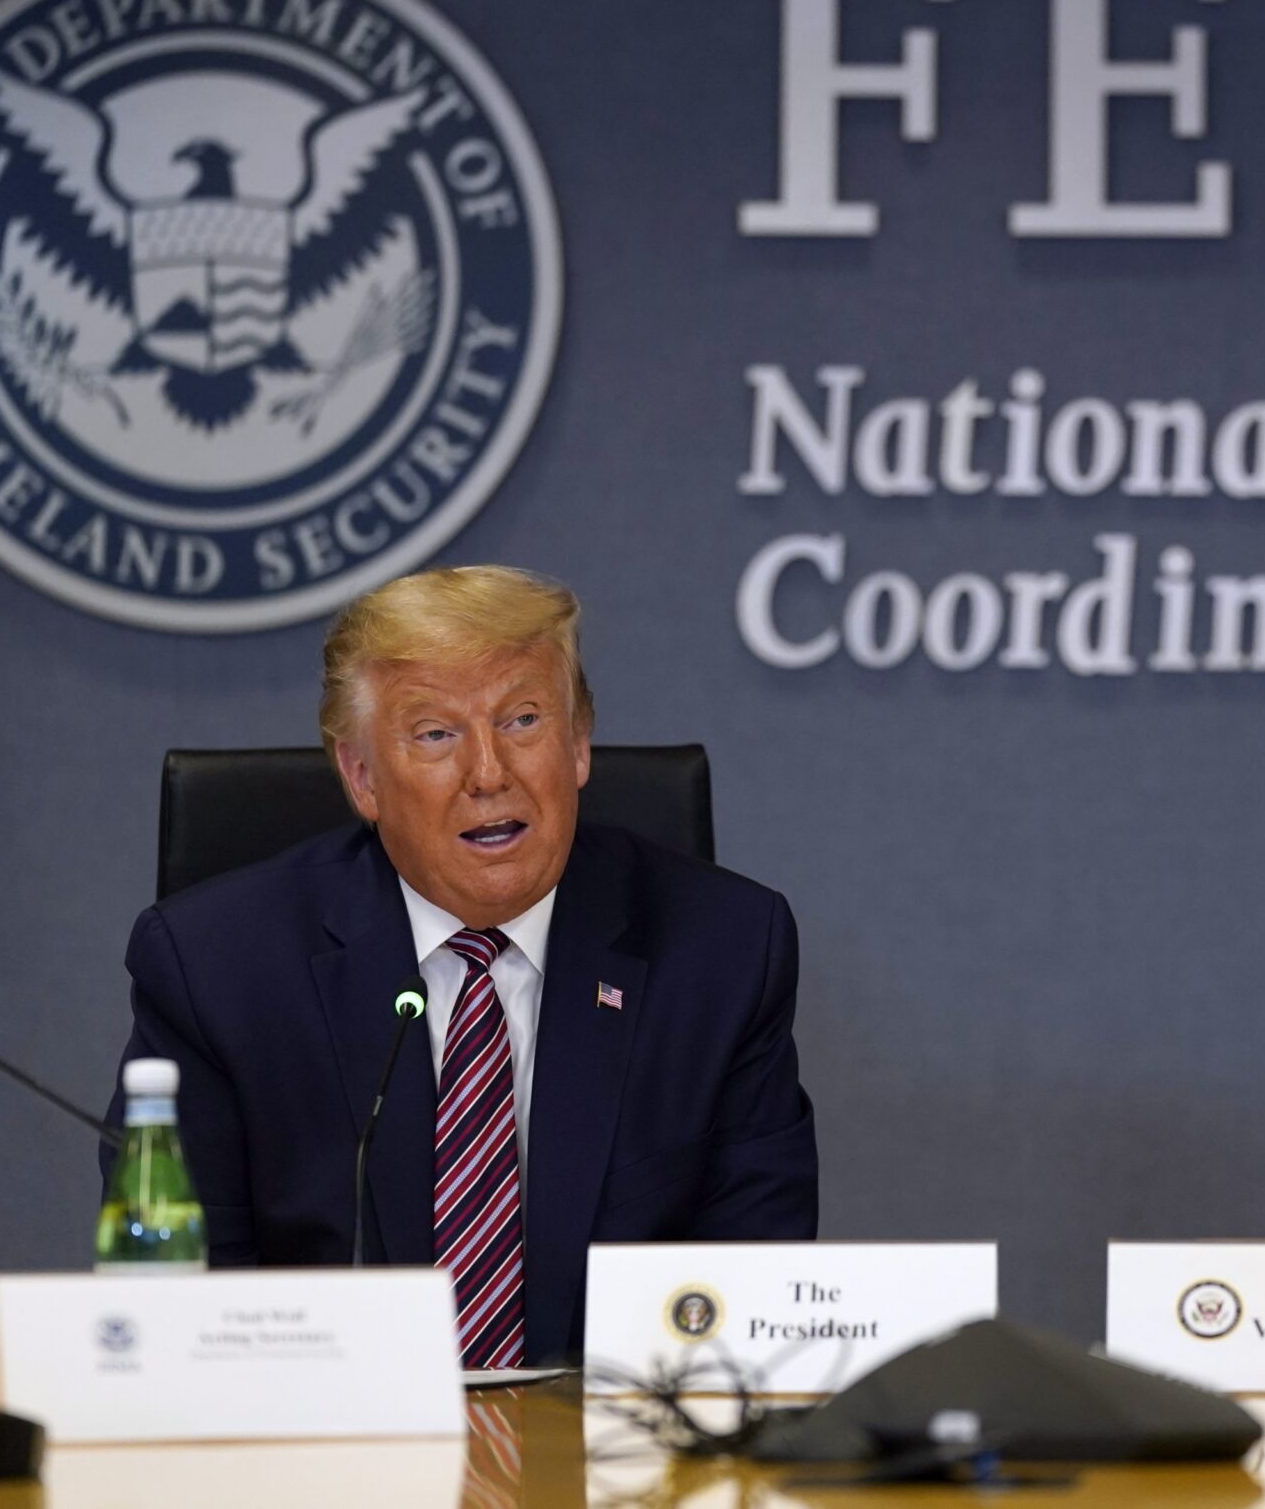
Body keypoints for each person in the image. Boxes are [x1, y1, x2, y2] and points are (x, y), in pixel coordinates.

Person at [106, 565, 818, 1366]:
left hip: (614, 1467)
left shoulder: (722, 952)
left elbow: (754, 1300)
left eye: (522, 719)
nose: (489, 773)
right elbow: (182, 1316)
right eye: (437, 733)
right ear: (362, 776)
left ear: (578, 743)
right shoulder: (216, 969)